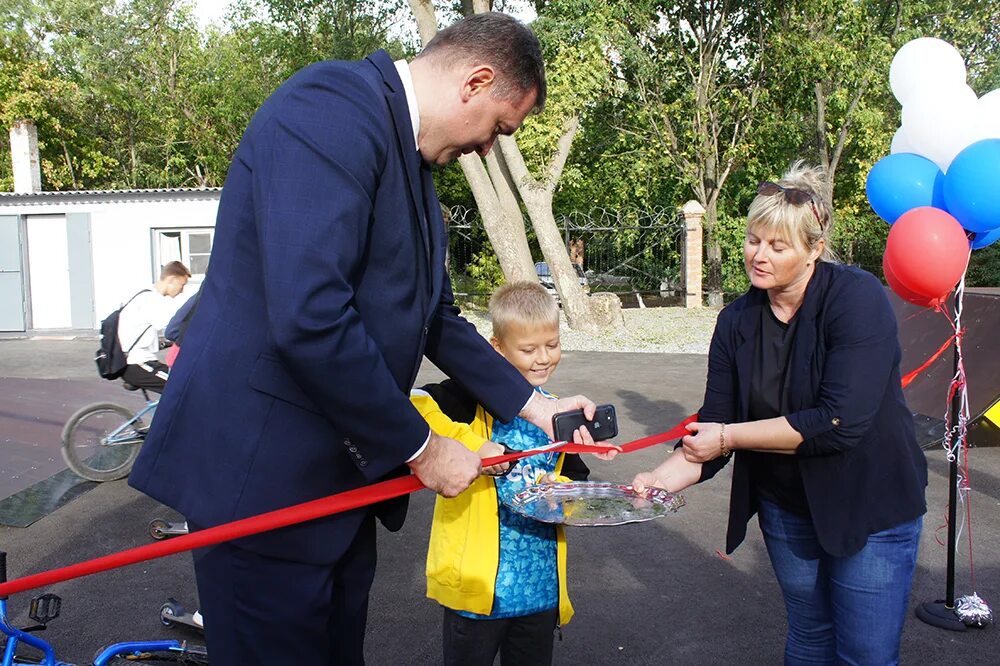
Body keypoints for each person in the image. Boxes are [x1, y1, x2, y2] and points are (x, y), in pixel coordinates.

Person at [128, 13, 600, 664]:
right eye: (498, 128)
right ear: (477, 80)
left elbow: (436, 319)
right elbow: (311, 314)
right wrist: (424, 448)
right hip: (262, 485)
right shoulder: (330, 109)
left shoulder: (412, 169)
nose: (490, 148)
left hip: (335, 492)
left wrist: (538, 407)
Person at [633, 162, 927, 665]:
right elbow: (715, 423)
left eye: (777, 246)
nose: (759, 256)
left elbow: (839, 421)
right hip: (787, 507)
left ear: (814, 250)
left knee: (865, 655)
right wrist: (655, 480)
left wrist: (727, 436)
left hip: (869, 504)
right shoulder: (736, 320)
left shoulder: (856, 299)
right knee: (809, 638)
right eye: (753, 240)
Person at [413, 282, 614, 666]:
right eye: (528, 349)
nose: (543, 358)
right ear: (496, 349)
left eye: (552, 345)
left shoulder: (555, 415)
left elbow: (574, 483)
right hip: (477, 591)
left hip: (538, 592)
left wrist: (567, 496)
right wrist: (470, 444)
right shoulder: (466, 399)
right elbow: (414, 404)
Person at [117, 261, 190, 394]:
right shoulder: (151, 300)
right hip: (138, 363)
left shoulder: (146, 295)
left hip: (137, 362)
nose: (182, 290)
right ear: (171, 280)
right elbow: (173, 329)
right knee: (183, 385)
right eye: (182, 284)